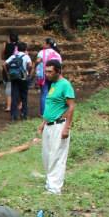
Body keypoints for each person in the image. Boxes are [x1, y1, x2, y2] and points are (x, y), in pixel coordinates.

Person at [38, 60, 76, 195]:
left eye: (50, 71)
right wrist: (43, 123)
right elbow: (51, 105)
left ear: (58, 71)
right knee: (47, 155)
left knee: (57, 156)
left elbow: (71, 106)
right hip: (49, 125)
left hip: (59, 125)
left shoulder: (65, 85)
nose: (47, 74)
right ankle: (49, 180)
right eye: (46, 71)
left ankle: (54, 189)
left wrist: (67, 127)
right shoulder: (53, 84)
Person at [35, 38, 62, 117]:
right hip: (54, 75)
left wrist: (35, 67)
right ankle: (52, 111)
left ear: (47, 44)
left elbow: (38, 61)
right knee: (52, 92)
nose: (43, 44)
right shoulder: (57, 54)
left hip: (44, 75)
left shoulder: (42, 52)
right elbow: (60, 66)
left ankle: (43, 113)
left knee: (44, 93)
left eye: (44, 43)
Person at [6, 41, 31, 121]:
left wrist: (8, 73)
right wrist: (28, 72)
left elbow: (4, 64)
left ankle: (13, 116)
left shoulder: (13, 56)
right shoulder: (26, 56)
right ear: (25, 49)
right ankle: (24, 114)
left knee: (14, 96)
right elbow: (30, 65)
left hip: (14, 77)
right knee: (24, 96)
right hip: (23, 78)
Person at [2, 31, 20, 112]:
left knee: (8, 87)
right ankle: (19, 104)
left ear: (9, 38)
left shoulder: (5, 45)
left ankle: (9, 106)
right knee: (18, 87)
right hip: (18, 69)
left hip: (8, 68)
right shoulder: (20, 46)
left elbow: (2, 57)